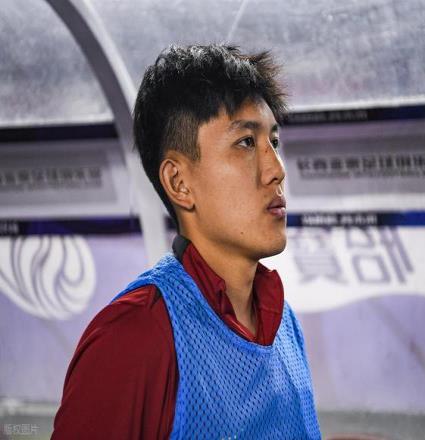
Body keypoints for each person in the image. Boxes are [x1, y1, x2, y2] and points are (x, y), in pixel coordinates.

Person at [52, 45, 320, 439]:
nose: (276, 170)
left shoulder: (285, 323)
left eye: (274, 142)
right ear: (179, 183)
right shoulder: (133, 336)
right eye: (246, 142)